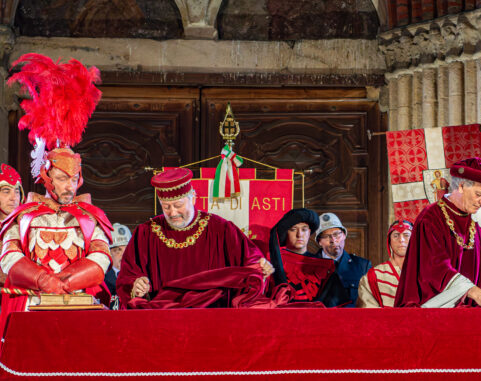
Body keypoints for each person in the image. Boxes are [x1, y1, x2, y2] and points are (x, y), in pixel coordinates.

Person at [0, 53, 113, 336]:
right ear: (47, 177)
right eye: (62, 178)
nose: (69, 186)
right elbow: (9, 255)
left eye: (74, 179)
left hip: (79, 304)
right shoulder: (24, 215)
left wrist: (68, 282)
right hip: (32, 305)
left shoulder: (90, 216)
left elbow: (101, 256)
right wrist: (40, 279)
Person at [116, 168, 275, 309]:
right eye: (166, 207)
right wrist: (136, 284)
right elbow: (128, 275)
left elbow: (251, 260)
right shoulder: (146, 233)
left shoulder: (220, 228)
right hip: (163, 317)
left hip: (213, 316)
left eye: (178, 205)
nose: (172, 213)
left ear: (193, 198)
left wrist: (260, 266)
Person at [394, 157, 481, 308]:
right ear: (461, 186)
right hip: (435, 311)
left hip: (477, 312)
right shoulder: (430, 219)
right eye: (479, 194)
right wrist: (475, 293)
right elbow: (434, 269)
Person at [268, 208, 349, 306]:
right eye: (293, 229)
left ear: (309, 232)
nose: (299, 234)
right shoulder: (271, 262)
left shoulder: (325, 267)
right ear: (286, 233)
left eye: (304, 229)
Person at [310, 213, 371, 307]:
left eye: (337, 234)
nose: (333, 240)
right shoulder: (308, 266)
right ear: (319, 242)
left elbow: (369, 304)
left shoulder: (362, 266)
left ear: (344, 235)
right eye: (326, 236)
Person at [357, 219, 413, 308]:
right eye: (396, 235)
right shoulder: (372, 276)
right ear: (389, 241)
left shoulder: (426, 274)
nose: (401, 240)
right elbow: (368, 313)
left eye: (406, 235)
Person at [105, 223, 132, 297]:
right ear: (109, 253)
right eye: (118, 250)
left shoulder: (139, 275)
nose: (124, 255)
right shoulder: (102, 280)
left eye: (127, 250)